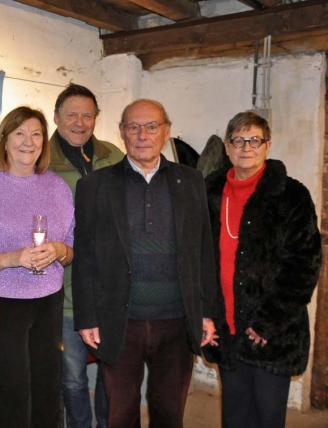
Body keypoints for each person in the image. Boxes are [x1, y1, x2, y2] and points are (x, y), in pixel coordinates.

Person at [73, 98, 218, 428]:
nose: (142, 135)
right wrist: (87, 316)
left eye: (151, 127)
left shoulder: (191, 181)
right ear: (121, 132)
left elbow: (203, 251)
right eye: (134, 127)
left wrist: (206, 311)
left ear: (166, 131)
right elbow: (85, 257)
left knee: (169, 412)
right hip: (119, 321)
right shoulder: (94, 185)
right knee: (120, 413)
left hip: (177, 321)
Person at [203, 111, 321, 428]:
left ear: (267, 145)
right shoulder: (208, 192)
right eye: (238, 140)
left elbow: (304, 265)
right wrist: (205, 313)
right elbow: (197, 259)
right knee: (235, 416)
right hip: (226, 329)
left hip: (271, 334)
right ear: (227, 146)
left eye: (254, 140)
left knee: (267, 417)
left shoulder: (291, 195)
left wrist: (268, 323)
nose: (246, 147)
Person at [0, 106, 74, 427]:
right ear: (4, 140)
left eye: (36, 134)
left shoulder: (58, 187)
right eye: (19, 133)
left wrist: (60, 250)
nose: (28, 141)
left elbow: (71, 249)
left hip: (49, 301)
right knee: (14, 394)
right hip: (4, 305)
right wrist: (14, 258)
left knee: (47, 389)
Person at [49, 83, 123, 428]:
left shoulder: (114, 157)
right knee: (73, 377)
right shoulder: (41, 163)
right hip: (65, 291)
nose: (79, 123)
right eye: (71, 115)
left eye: (87, 115)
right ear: (56, 117)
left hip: (111, 292)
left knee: (112, 372)